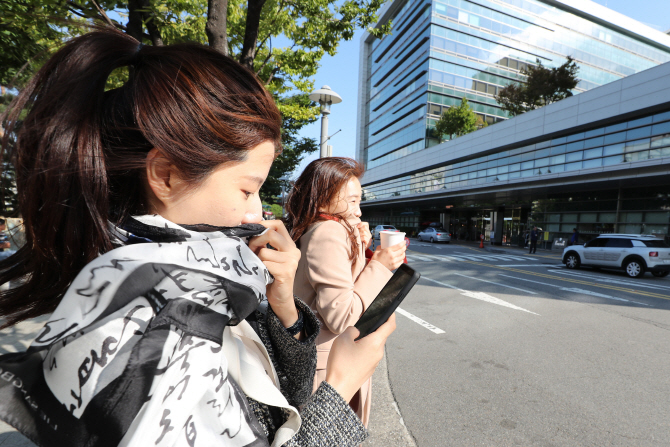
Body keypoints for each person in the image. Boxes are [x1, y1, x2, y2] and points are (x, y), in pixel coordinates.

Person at [0, 29, 395, 447]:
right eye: (247, 189)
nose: (259, 212)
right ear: (165, 175)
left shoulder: (199, 277)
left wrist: (284, 310)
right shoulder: (143, 326)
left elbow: (279, 405)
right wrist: (339, 384)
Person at [284, 158, 406, 427]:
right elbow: (340, 315)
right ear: (322, 199)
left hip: (327, 360)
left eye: (359, 200)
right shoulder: (328, 231)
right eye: (352, 201)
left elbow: (343, 286)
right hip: (329, 367)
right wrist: (380, 265)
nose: (359, 211)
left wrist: (362, 249)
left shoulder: (321, 227)